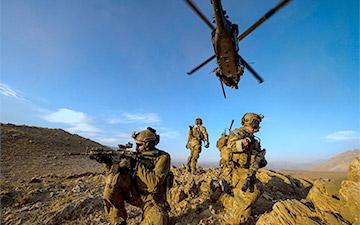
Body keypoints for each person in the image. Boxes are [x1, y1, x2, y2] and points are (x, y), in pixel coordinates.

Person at [102, 127, 172, 225]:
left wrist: (136, 164)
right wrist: (107, 164)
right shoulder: (135, 156)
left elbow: (154, 184)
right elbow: (115, 176)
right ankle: (118, 220)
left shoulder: (163, 157)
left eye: (139, 145)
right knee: (111, 183)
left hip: (152, 200)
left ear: (148, 145)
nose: (136, 148)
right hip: (134, 194)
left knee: (159, 219)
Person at [215, 112, 267, 224]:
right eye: (256, 122)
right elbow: (231, 146)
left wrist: (260, 161)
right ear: (252, 122)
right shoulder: (239, 133)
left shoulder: (255, 140)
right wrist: (243, 142)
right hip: (234, 171)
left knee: (258, 188)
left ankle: (232, 198)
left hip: (246, 171)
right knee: (245, 209)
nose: (257, 126)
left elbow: (256, 157)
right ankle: (224, 198)